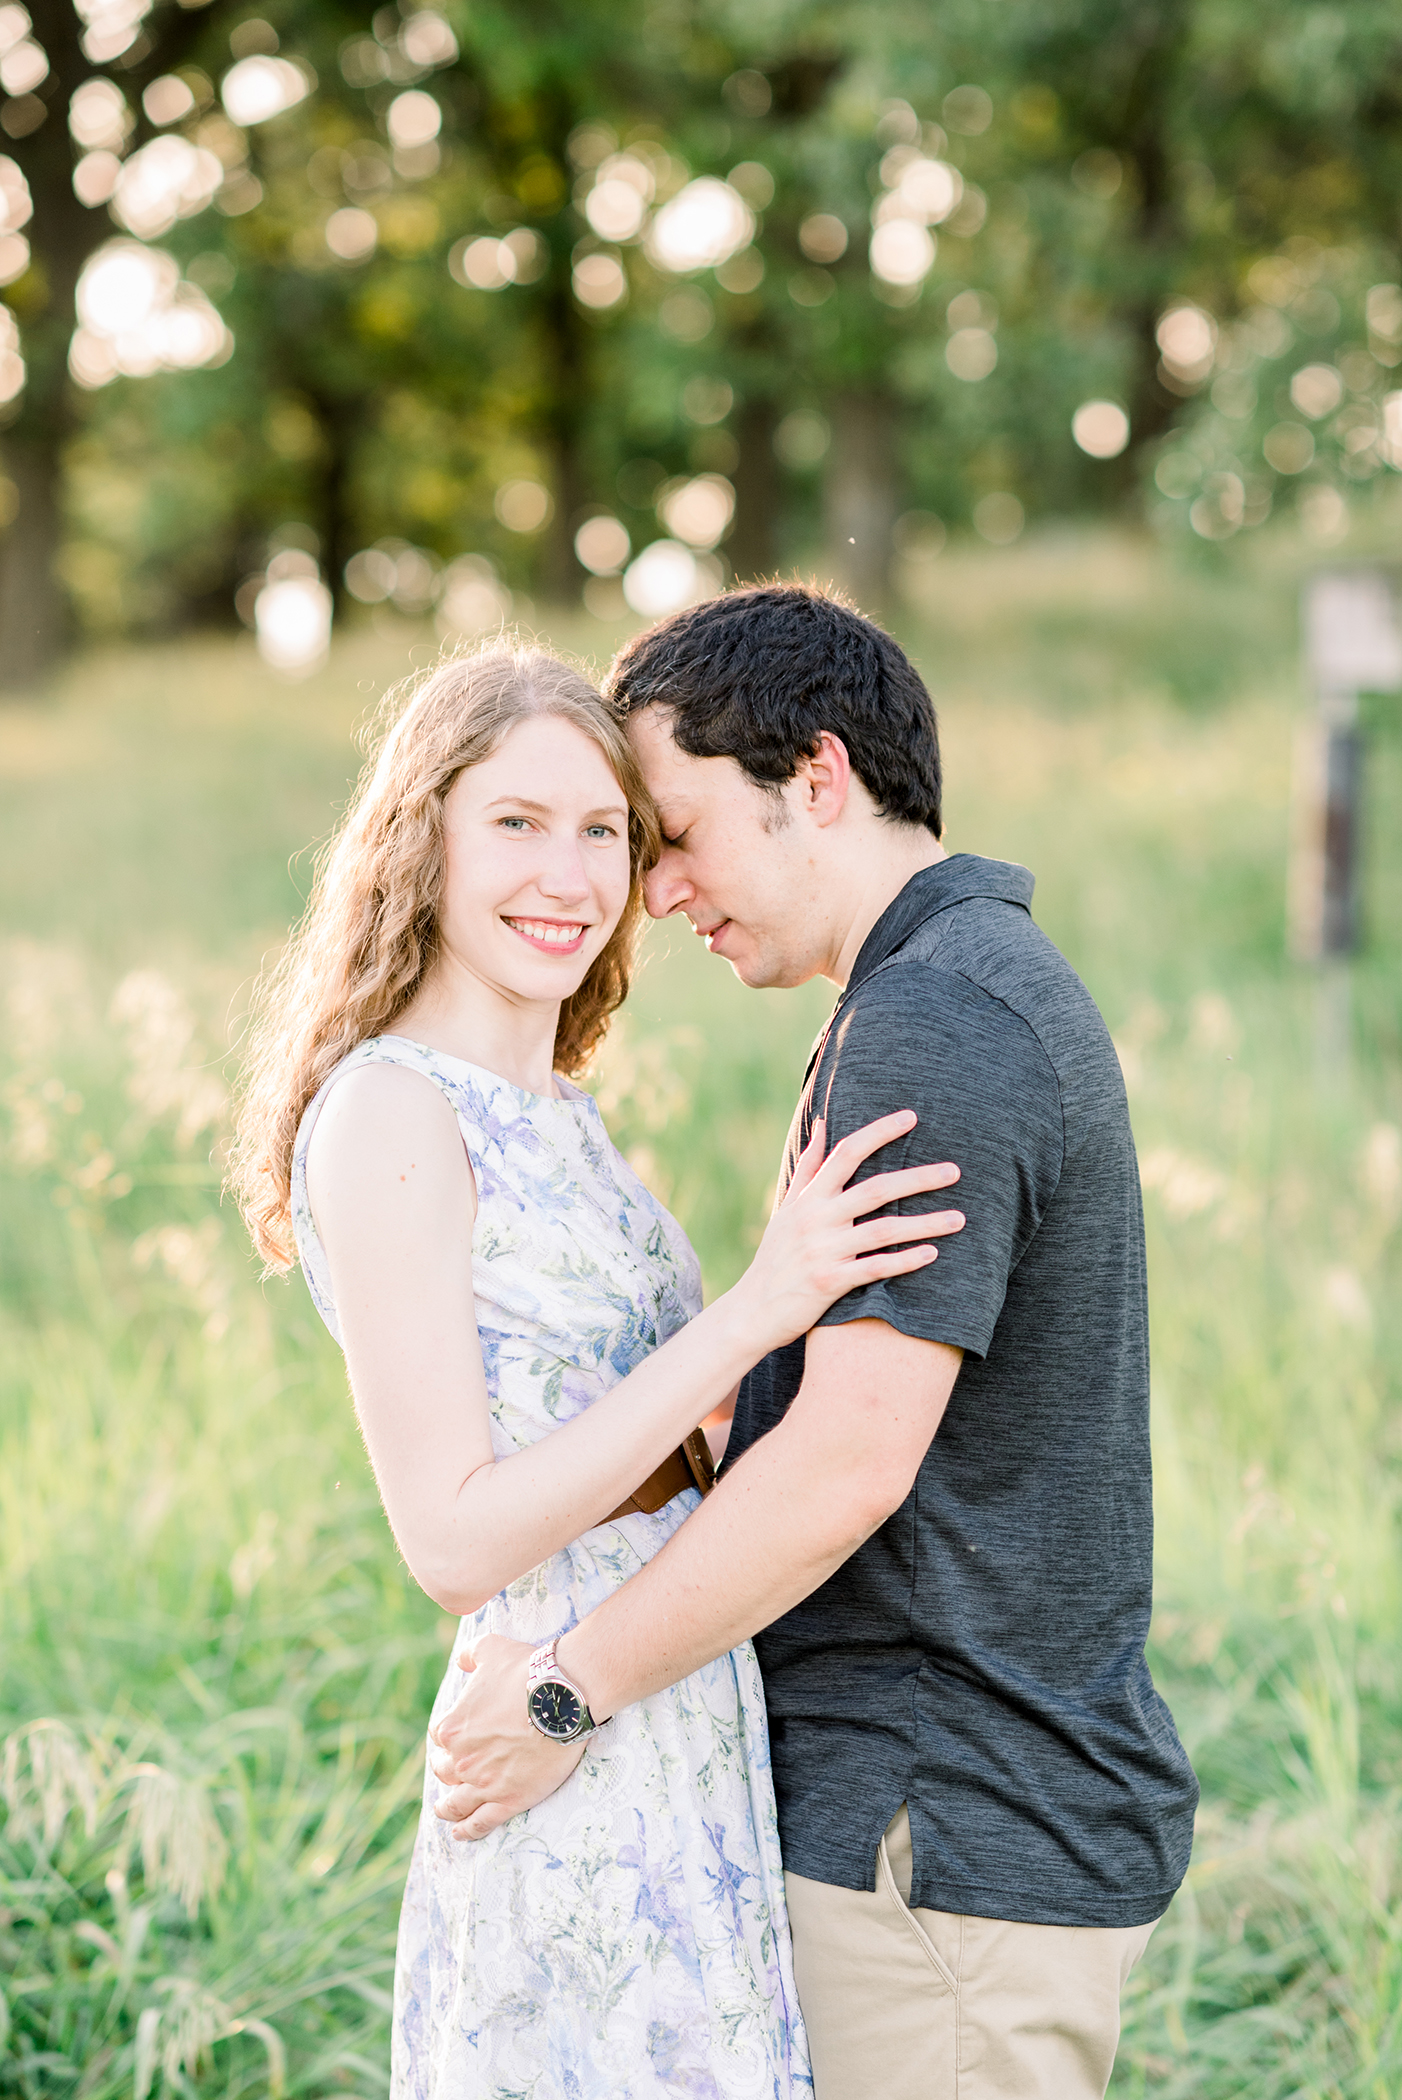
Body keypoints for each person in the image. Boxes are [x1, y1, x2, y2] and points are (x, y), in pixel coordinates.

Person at [428, 587, 1200, 2100]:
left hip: (929, 1846)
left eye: (673, 832)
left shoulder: (937, 1019)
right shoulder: (951, 989)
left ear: (819, 779)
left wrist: (560, 1693)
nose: (654, 893)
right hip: (936, 1843)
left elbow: (850, 1467)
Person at [230, 641, 967, 2099]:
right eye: (515, 822)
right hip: (560, 1716)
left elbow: (633, 1424)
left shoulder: (553, 1111)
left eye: (604, 832)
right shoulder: (388, 1112)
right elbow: (449, 1535)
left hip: (672, 1700)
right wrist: (756, 1308)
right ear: (419, 832)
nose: (566, 874)